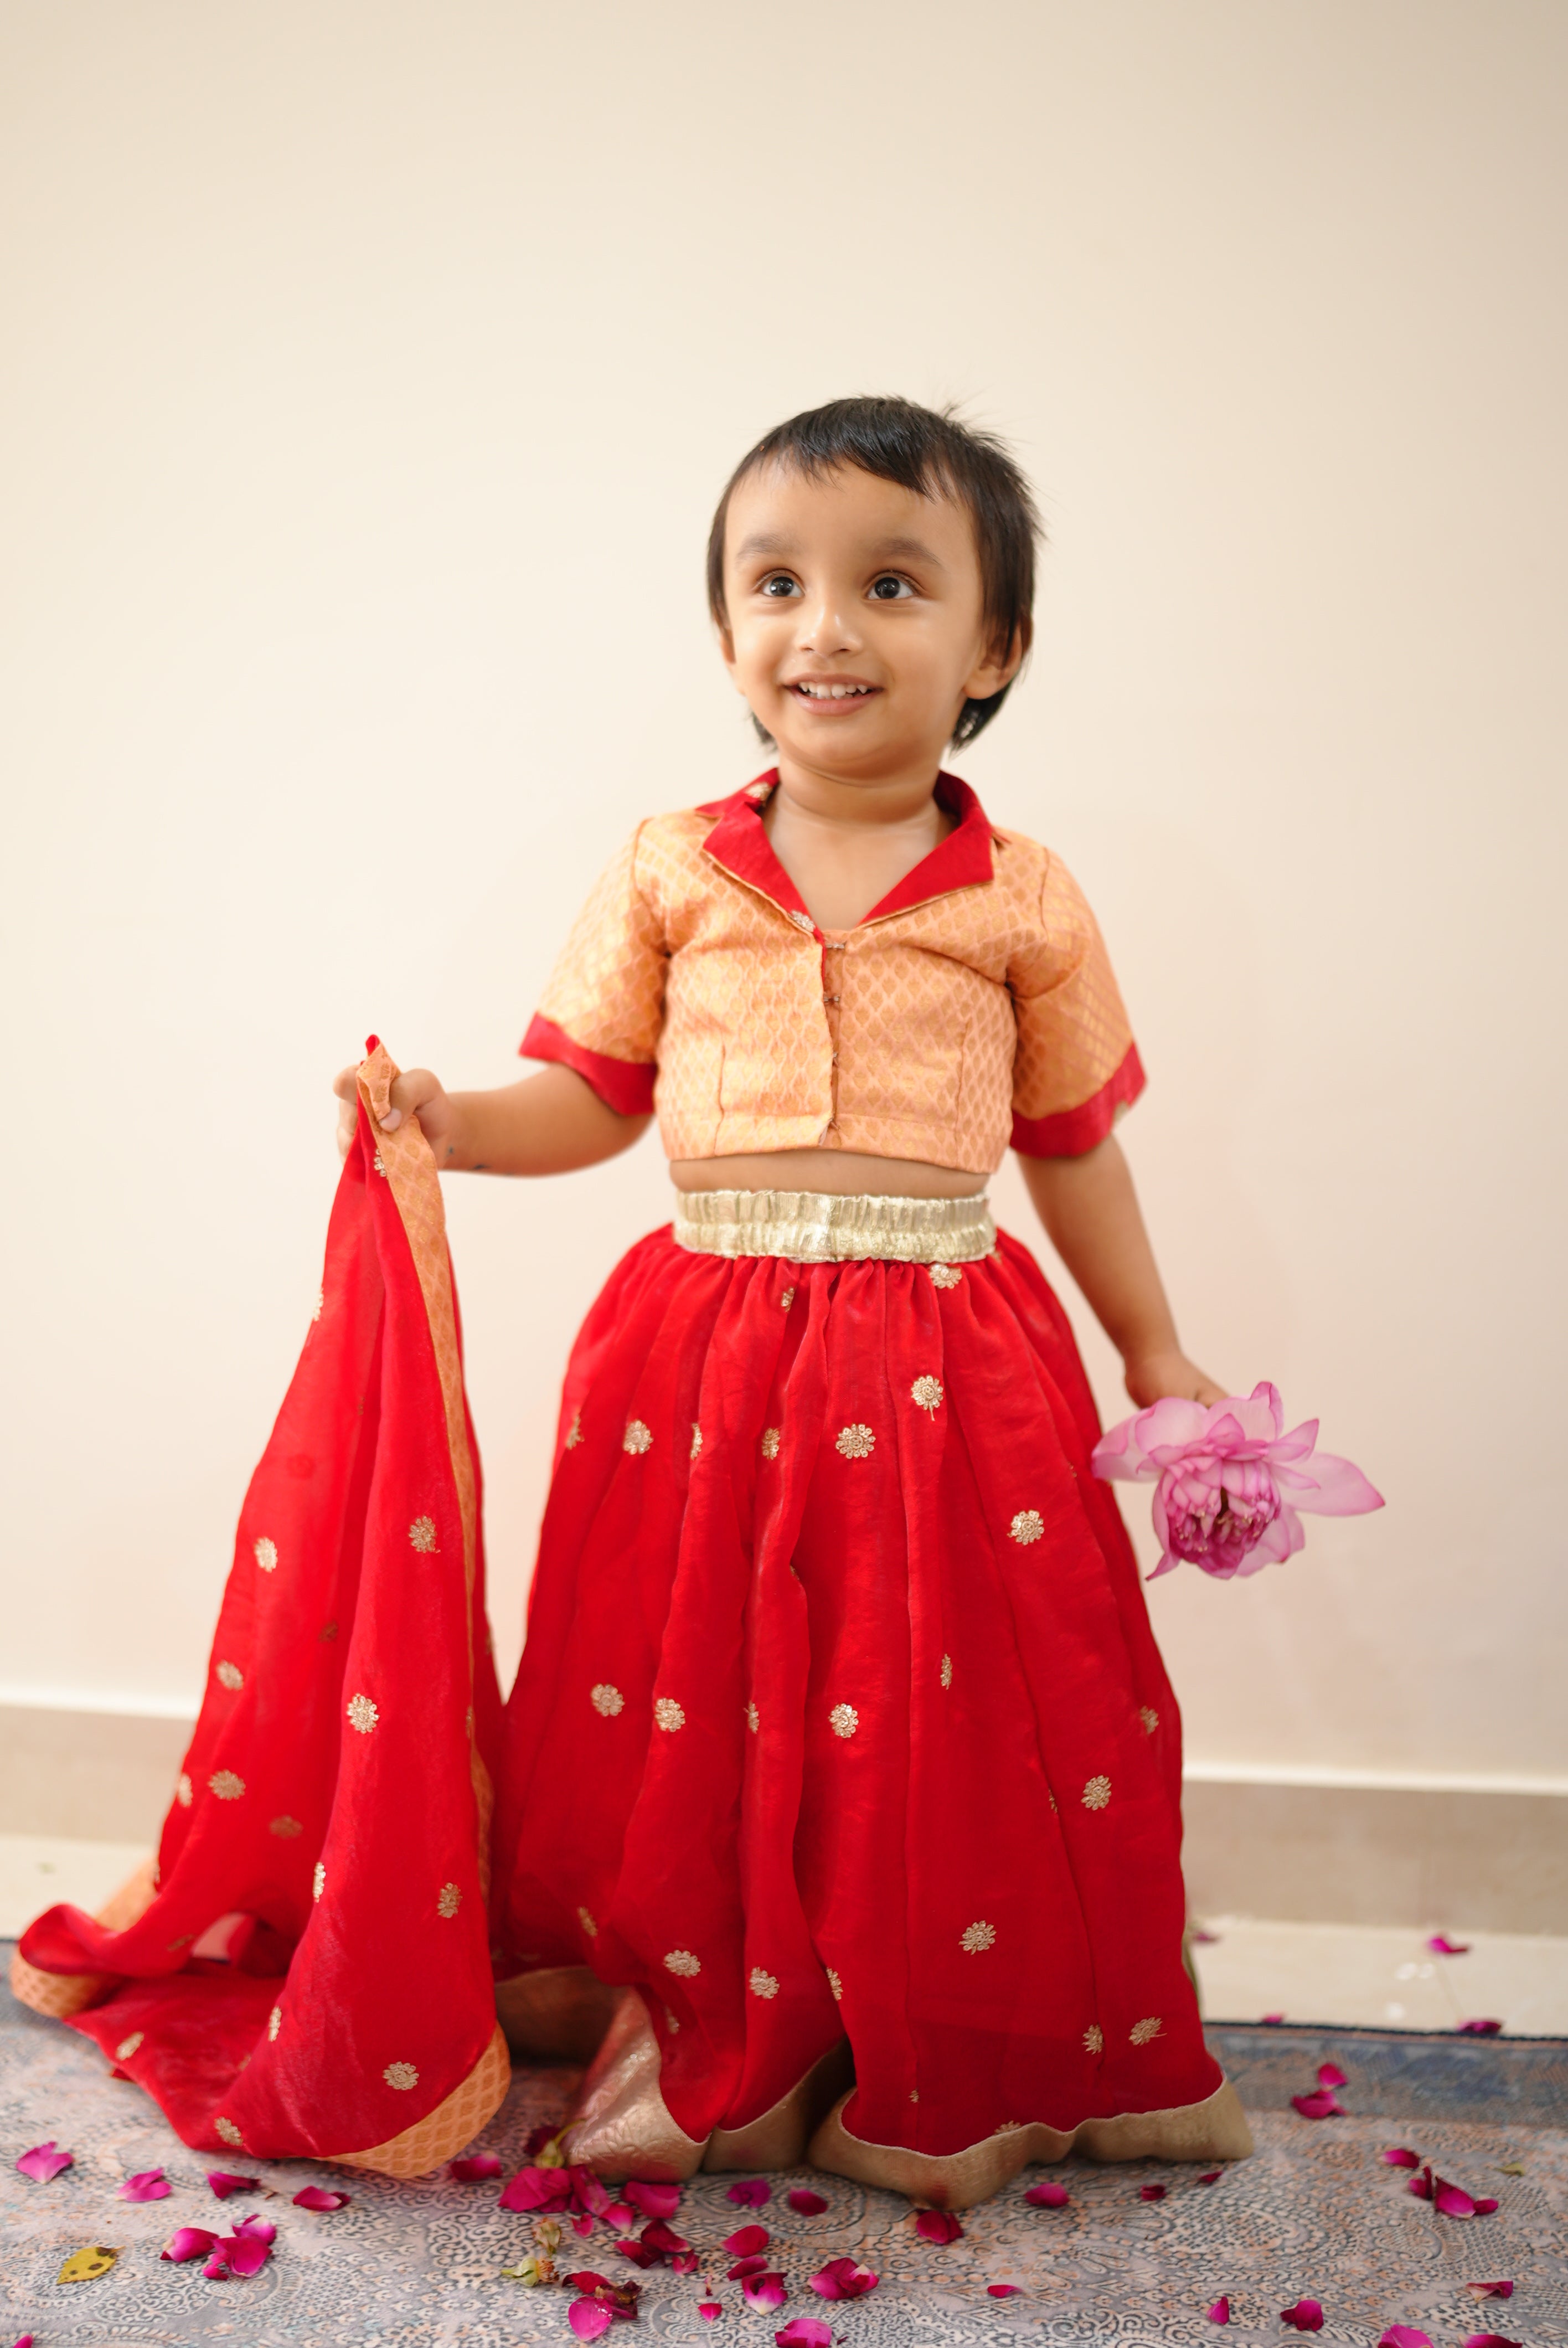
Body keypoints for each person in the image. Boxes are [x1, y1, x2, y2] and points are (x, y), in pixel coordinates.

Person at [336, 395, 1254, 2205]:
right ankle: (718, 2018)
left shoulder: (1024, 895)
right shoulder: (672, 869)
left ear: (994, 646)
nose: (825, 628)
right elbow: (595, 1100)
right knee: (699, 1694)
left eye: (891, 585)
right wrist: (446, 1122)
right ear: (730, 633)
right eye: (777, 584)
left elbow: (1074, 1152)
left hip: (952, 1362)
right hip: (700, 1359)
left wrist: (1153, 1348)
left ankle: (941, 2031)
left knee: (940, 1705)